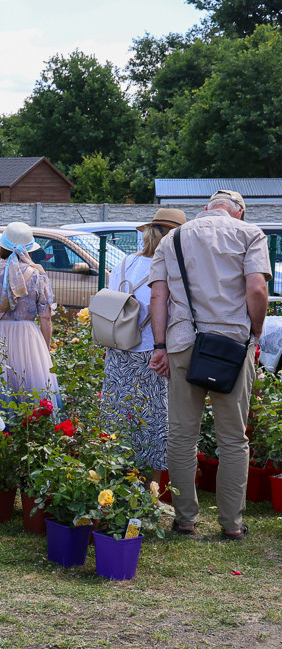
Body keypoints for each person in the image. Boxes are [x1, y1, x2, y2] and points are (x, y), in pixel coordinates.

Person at [149, 190, 270, 541]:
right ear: (240, 212)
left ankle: (185, 519)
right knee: (233, 438)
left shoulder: (173, 237)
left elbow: (159, 295)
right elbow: (257, 289)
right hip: (232, 346)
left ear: (205, 209)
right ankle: (231, 523)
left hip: (184, 344)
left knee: (182, 435)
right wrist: (255, 332)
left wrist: (160, 345)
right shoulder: (250, 234)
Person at [101, 209, 186, 470]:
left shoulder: (124, 263)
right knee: (154, 419)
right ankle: (150, 486)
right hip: (152, 351)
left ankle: (115, 475)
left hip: (117, 349)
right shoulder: (169, 270)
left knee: (116, 415)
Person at [0, 222, 58, 402]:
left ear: (2, 247)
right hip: (29, 340)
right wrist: (45, 351)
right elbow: (46, 318)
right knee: (33, 390)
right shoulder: (38, 275)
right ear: (29, 250)